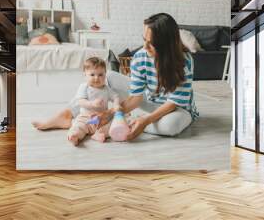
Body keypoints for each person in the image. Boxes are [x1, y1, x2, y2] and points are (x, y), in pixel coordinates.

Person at [32, 13, 198, 140]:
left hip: (176, 109)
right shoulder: (141, 57)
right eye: (144, 40)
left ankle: (127, 120)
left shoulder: (184, 61)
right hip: (149, 102)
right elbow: (136, 97)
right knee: (108, 77)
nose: (144, 46)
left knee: (171, 126)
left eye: (151, 42)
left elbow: (174, 103)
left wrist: (145, 121)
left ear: (166, 44)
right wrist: (110, 113)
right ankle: (70, 115)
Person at [33, 57, 121, 146]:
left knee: (111, 125)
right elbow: (81, 101)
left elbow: (115, 96)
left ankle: (99, 134)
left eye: (100, 74)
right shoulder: (84, 87)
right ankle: (74, 136)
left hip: (102, 119)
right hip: (86, 117)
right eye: (92, 75)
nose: (96, 78)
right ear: (85, 75)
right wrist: (91, 104)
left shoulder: (106, 89)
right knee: (78, 126)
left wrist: (116, 104)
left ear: (105, 74)